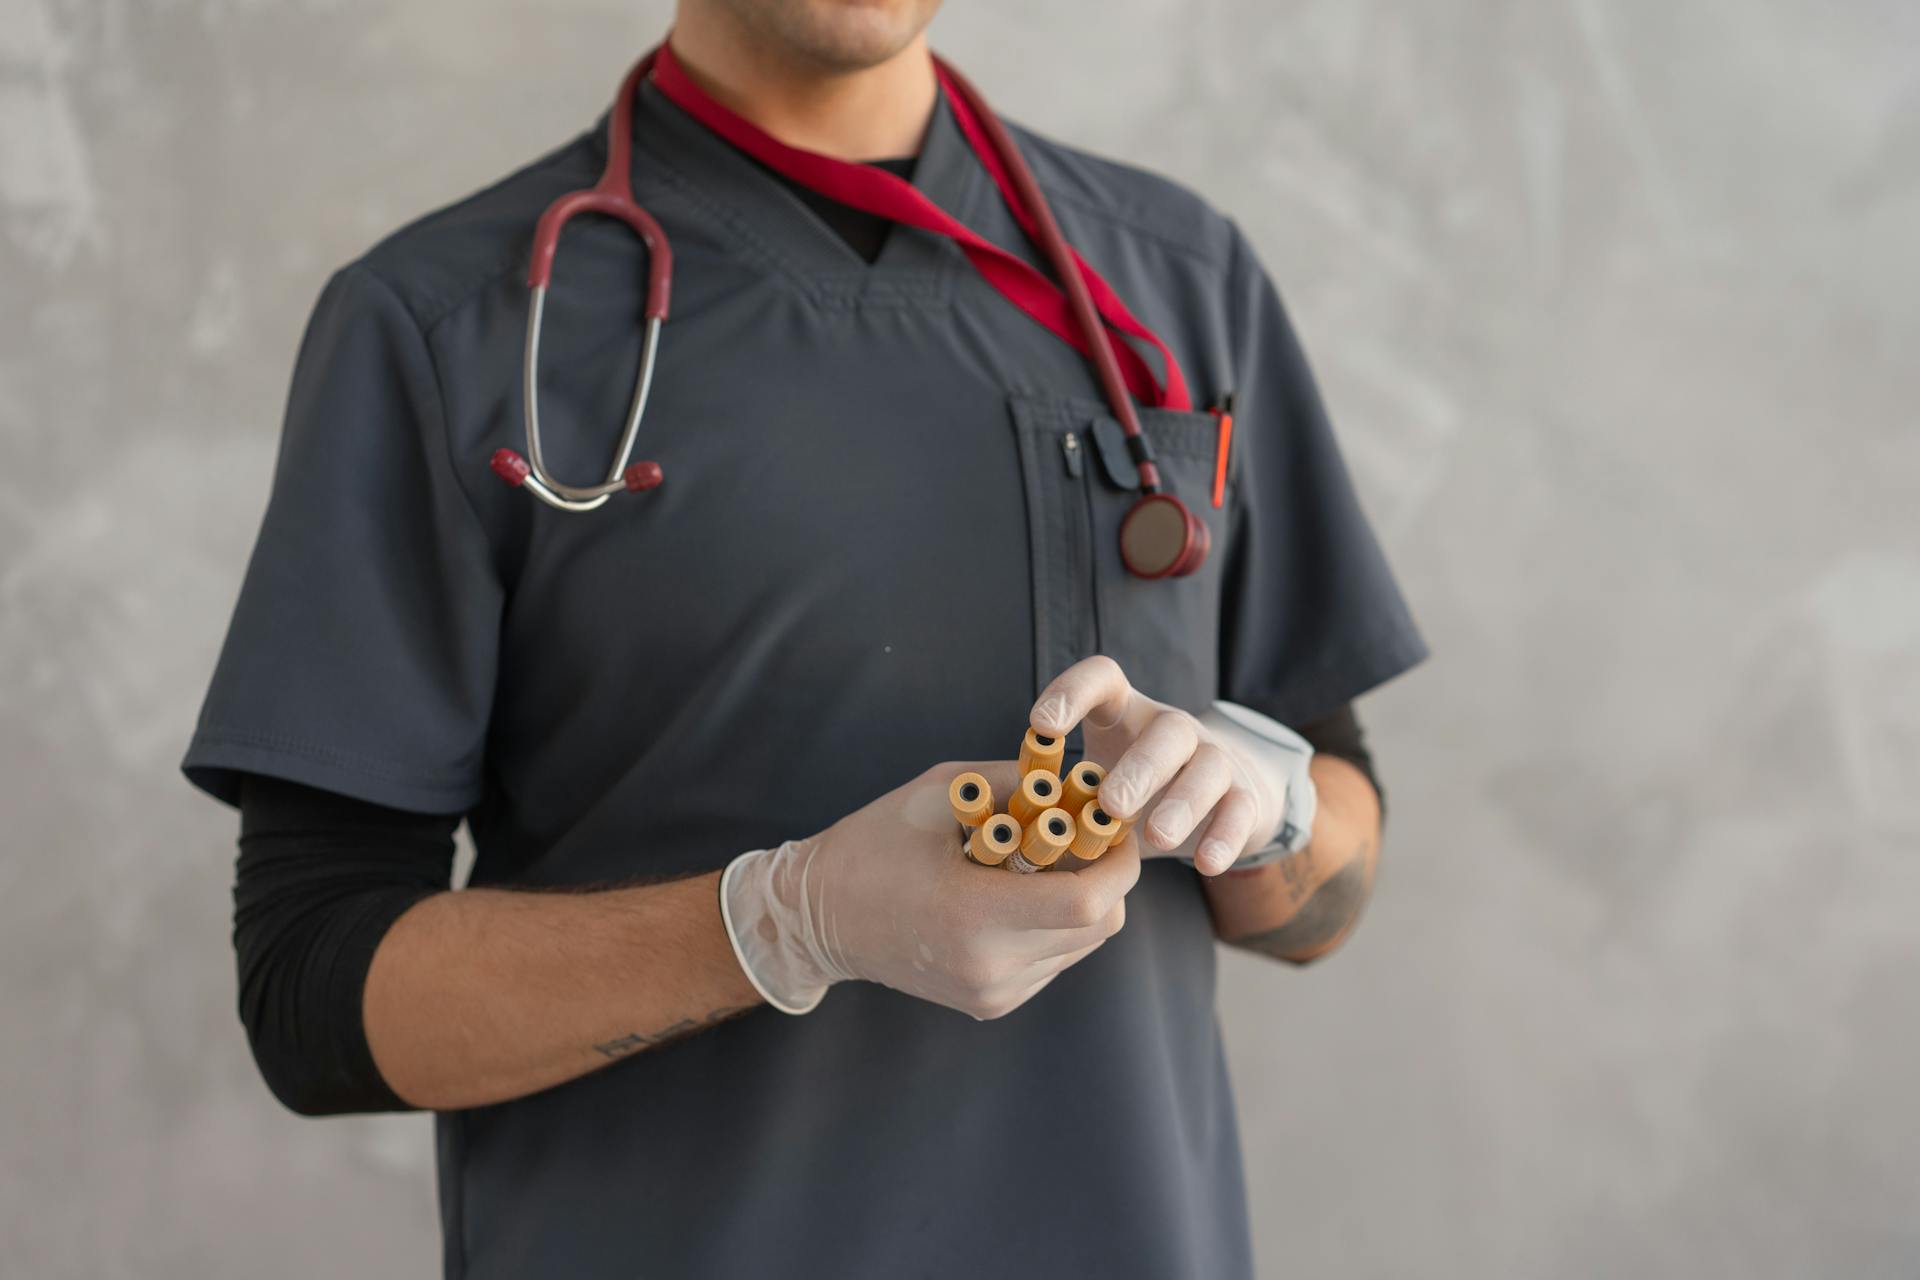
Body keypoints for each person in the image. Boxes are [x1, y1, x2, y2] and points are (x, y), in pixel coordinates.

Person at [183, 1, 1427, 1275]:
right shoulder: (450, 328)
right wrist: (782, 921)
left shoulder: (1174, 281)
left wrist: (1257, 802)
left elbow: (1326, 890)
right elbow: (313, 993)